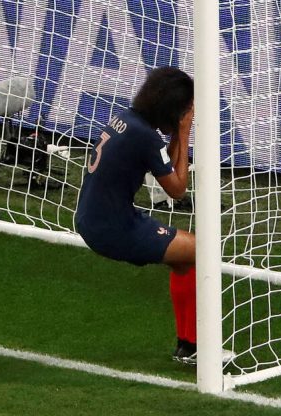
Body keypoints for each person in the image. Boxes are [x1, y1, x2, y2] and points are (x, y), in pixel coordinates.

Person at [75, 66, 200, 364]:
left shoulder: (126, 120)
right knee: (201, 251)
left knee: (184, 260)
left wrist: (178, 137)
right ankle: (194, 347)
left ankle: (188, 345)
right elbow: (178, 189)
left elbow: (164, 163)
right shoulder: (147, 138)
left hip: (93, 218)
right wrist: (185, 130)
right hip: (114, 229)